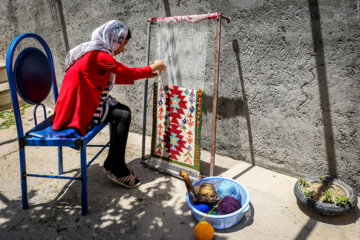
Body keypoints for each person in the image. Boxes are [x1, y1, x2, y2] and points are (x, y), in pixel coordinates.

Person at [51, 20, 166, 188]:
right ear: (115, 39)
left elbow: (111, 76)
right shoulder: (99, 55)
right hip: (75, 111)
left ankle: (112, 162)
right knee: (123, 115)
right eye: (123, 44)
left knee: (123, 111)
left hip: (79, 104)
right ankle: (118, 169)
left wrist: (147, 75)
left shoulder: (95, 52)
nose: (123, 49)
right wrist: (151, 67)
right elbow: (125, 72)